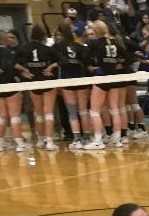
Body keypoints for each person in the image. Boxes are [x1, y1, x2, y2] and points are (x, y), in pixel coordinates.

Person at [84, 20, 128, 150]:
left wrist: (93, 66)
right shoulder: (114, 42)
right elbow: (127, 57)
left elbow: (85, 57)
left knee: (94, 111)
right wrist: (117, 65)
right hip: (114, 77)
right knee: (114, 109)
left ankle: (98, 141)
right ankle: (117, 139)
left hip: (102, 77)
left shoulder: (94, 43)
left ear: (96, 31)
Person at [16, 25, 59, 151]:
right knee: (49, 112)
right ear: (43, 36)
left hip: (33, 83)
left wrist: (24, 70)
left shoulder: (24, 48)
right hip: (47, 82)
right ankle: (49, 141)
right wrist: (50, 68)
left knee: (39, 113)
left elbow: (14, 63)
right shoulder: (47, 49)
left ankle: (40, 140)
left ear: (31, 35)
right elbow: (62, 60)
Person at [54, 22, 91, 150]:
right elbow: (87, 62)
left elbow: (56, 60)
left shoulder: (57, 46)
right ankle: (86, 137)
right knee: (83, 111)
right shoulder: (80, 46)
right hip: (80, 79)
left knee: (72, 112)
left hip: (67, 81)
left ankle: (77, 139)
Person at [0, 32, 28, 152]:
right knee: (14, 116)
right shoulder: (6, 52)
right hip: (10, 86)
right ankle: (19, 142)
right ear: (4, 40)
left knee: (2, 116)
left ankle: (0, 143)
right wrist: (24, 70)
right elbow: (11, 66)